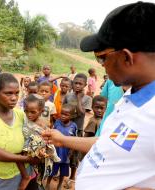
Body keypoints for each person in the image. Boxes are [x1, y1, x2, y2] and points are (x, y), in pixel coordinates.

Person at [42, 2, 155, 189]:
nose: (101, 65)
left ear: (126, 57)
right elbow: (108, 144)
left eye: (101, 57)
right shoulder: (130, 97)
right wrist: (61, 139)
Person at [0, 73, 39, 190]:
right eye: (8, 93)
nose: (14, 98)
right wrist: (27, 159)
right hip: (4, 180)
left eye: (16, 93)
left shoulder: (20, 114)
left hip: (28, 175)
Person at [17, 94, 60, 190]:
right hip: (26, 146)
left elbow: (44, 140)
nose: (29, 114)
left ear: (41, 112)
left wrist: (41, 150)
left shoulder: (42, 124)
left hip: (35, 149)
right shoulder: (24, 119)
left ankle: (26, 177)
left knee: (20, 158)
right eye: (26, 111)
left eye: (33, 112)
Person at [63, 73, 92, 184]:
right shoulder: (68, 96)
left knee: (74, 154)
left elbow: (81, 113)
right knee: (63, 151)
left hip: (77, 130)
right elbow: (64, 110)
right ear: (72, 83)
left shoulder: (87, 98)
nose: (78, 86)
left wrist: (79, 99)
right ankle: (61, 172)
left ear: (85, 85)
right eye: (76, 83)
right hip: (66, 127)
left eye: (80, 84)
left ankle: (72, 176)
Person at [45, 104, 77, 190]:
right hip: (56, 152)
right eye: (62, 113)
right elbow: (52, 134)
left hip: (66, 154)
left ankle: (59, 185)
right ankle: (47, 184)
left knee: (63, 171)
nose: (63, 116)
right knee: (52, 170)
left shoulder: (73, 126)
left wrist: (71, 153)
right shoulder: (57, 122)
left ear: (72, 116)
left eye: (66, 114)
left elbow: (74, 140)